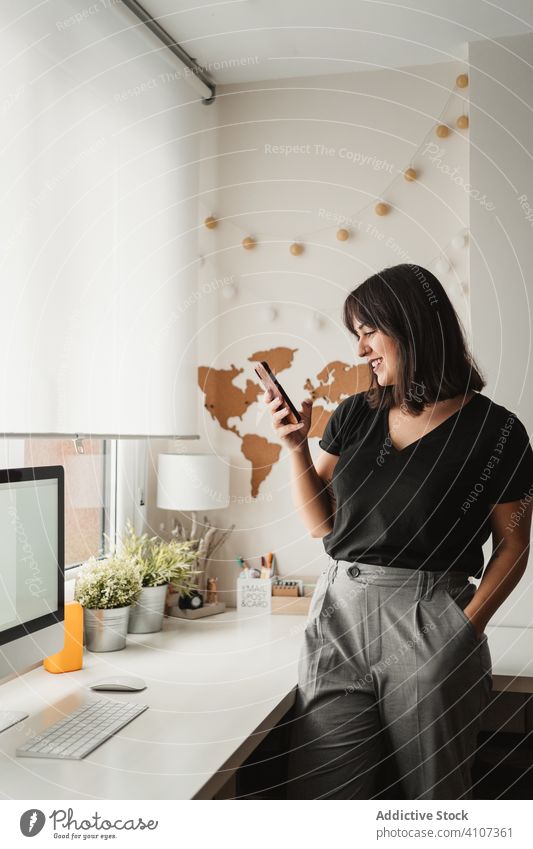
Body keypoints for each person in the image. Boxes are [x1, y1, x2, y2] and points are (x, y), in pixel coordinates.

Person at [264, 263, 533, 800]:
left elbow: (514, 545)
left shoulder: (498, 431)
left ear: (410, 326)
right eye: (356, 335)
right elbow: (322, 523)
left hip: (431, 614)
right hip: (338, 615)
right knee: (324, 799)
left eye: (368, 331)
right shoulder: (354, 416)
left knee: (432, 802)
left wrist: (463, 630)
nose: (361, 348)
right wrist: (295, 449)